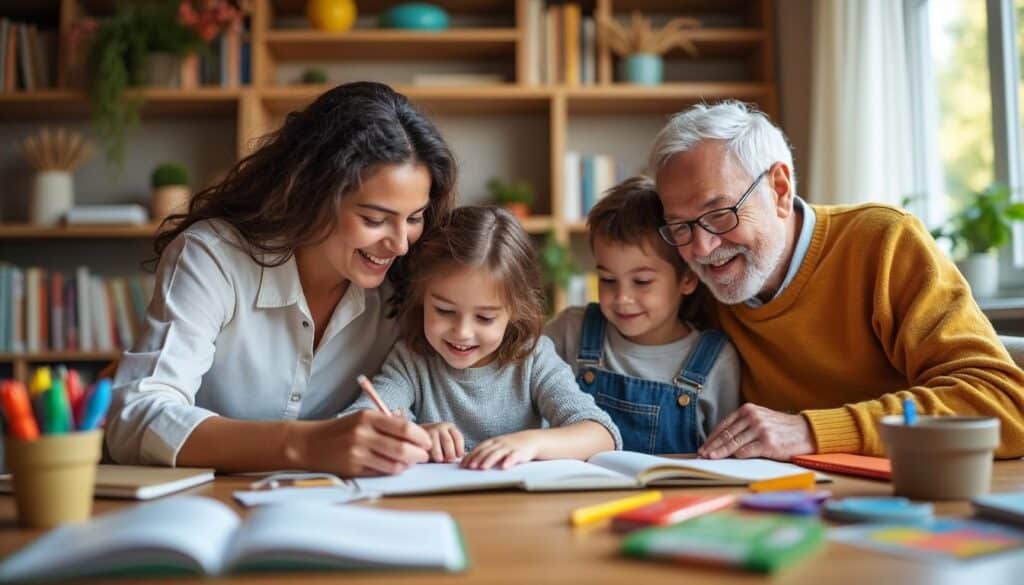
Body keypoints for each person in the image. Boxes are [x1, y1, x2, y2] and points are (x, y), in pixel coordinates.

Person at [107, 82, 459, 476]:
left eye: (413, 218)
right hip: (204, 507)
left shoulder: (404, 288)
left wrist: (410, 437)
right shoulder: (214, 257)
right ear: (312, 193)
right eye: (374, 219)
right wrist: (307, 444)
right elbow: (135, 416)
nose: (400, 244)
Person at [649, 100, 1024, 460]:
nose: (700, 247)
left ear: (779, 189)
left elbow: (1003, 403)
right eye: (680, 226)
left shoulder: (884, 241)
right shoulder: (693, 286)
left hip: (906, 497)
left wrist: (811, 432)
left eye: (719, 213)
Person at [341, 206, 621, 469]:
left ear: (514, 311)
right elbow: (356, 425)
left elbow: (603, 434)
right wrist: (416, 435)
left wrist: (530, 443)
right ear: (422, 298)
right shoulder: (411, 359)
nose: (462, 332)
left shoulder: (533, 358)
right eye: (444, 310)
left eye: (485, 318)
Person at [544, 177, 741, 454]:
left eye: (642, 282)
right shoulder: (570, 331)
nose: (622, 298)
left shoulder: (717, 360)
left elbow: (726, 459)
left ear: (687, 278)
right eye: (608, 279)